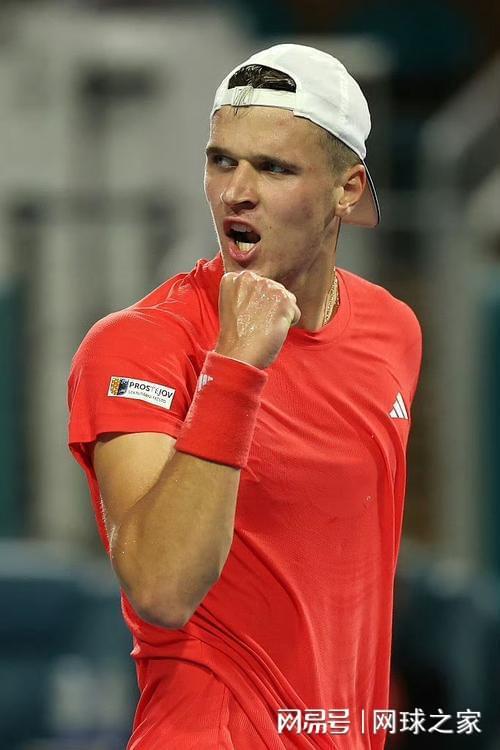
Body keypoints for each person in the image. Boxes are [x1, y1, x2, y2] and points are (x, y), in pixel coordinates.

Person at [67, 44, 422, 749]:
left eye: (275, 167)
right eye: (222, 160)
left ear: (347, 190)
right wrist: (234, 366)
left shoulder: (394, 330)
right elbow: (162, 589)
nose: (236, 191)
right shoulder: (138, 345)